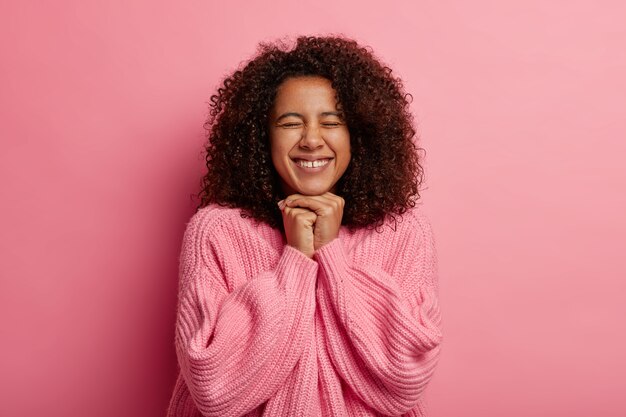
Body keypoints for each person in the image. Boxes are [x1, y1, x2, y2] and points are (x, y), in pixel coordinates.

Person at [166, 34, 443, 417]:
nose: (312, 140)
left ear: (359, 135)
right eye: (290, 123)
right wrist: (295, 260)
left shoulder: (404, 232)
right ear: (261, 136)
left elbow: (404, 378)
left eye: (331, 122)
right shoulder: (216, 231)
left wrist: (331, 255)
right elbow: (215, 390)